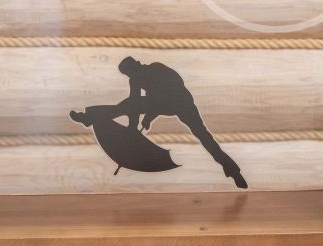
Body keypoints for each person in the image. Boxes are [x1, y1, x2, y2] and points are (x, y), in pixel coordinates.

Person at [70, 56, 247, 189]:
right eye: (128, 75)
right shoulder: (135, 79)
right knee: (127, 105)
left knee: (204, 136)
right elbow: (134, 102)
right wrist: (133, 128)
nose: (131, 76)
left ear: (137, 65)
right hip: (159, 103)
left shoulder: (157, 68)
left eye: (131, 72)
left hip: (182, 103)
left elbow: (169, 93)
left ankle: (233, 170)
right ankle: (89, 117)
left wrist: (148, 117)